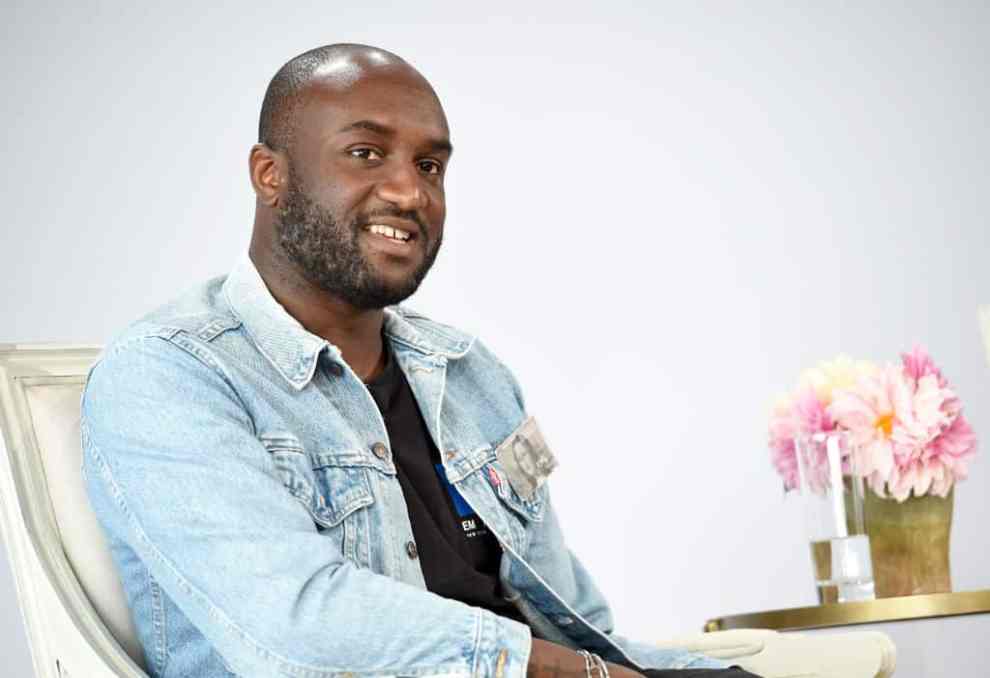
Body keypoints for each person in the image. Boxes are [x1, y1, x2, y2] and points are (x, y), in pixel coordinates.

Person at [81, 44, 759, 678]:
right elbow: (295, 626)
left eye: (429, 166)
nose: (410, 193)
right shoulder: (170, 377)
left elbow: (579, 625)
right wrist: (577, 674)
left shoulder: (471, 375)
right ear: (270, 175)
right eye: (367, 153)